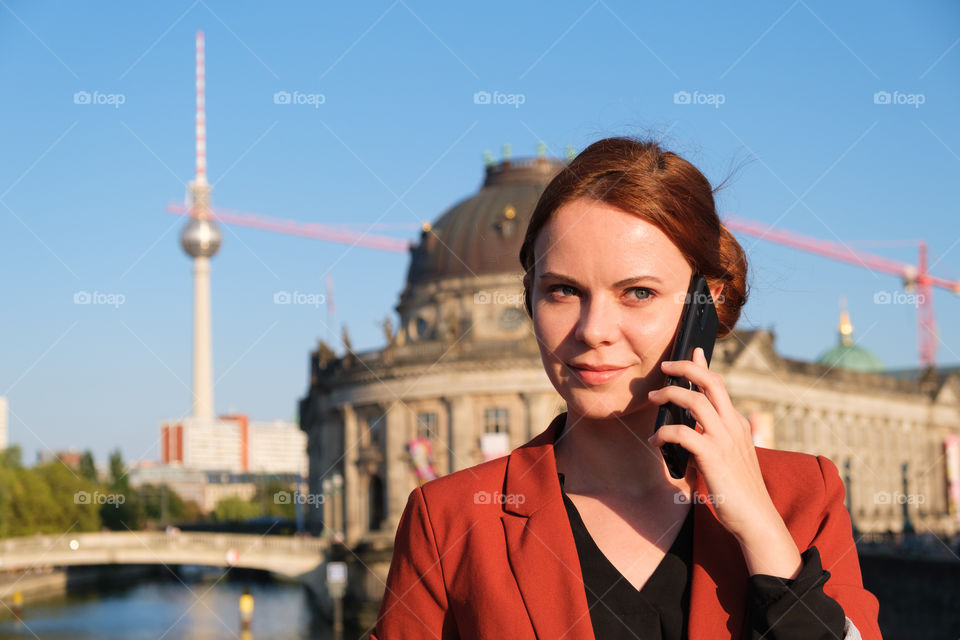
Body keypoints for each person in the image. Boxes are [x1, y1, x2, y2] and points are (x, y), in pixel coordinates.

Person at [371, 137, 881, 639]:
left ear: (703, 306)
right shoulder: (451, 520)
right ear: (530, 300)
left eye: (638, 292)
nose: (594, 330)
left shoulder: (801, 498)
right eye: (563, 290)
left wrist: (763, 534)